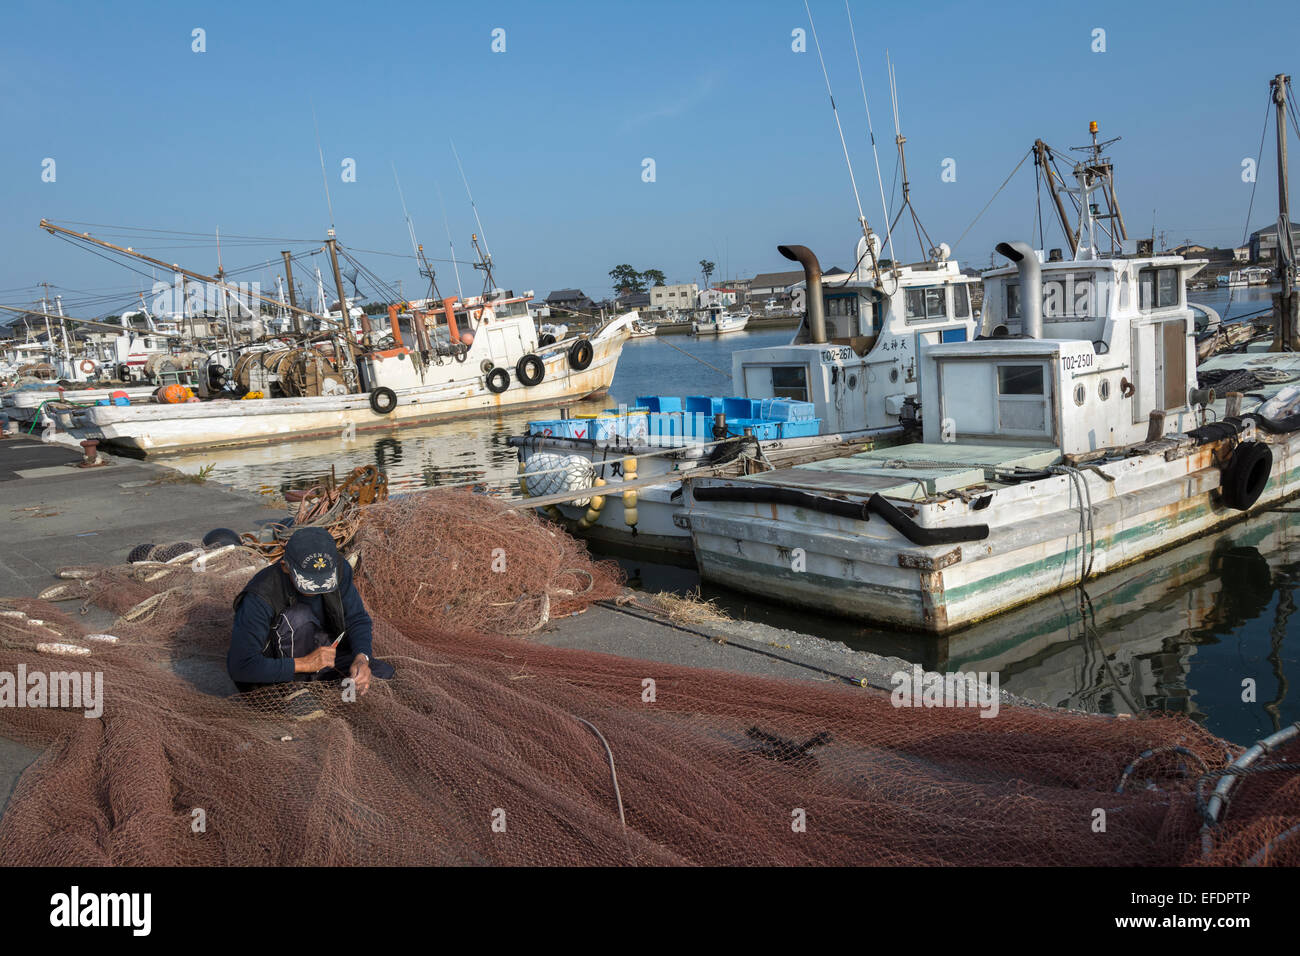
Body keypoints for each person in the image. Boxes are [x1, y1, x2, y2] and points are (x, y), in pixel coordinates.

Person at [228, 527, 392, 704]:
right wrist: (305, 664)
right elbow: (240, 666)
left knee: (382, 673)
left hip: (322, 654)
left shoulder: (340, 570)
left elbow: (357, 619)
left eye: (323, 583)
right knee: (299, 616)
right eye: (309, 584)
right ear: (285, 567)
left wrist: (362, 657)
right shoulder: (260, 595)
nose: (316, 591)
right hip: (278, 674)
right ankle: (296, 695)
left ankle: (321, 694)